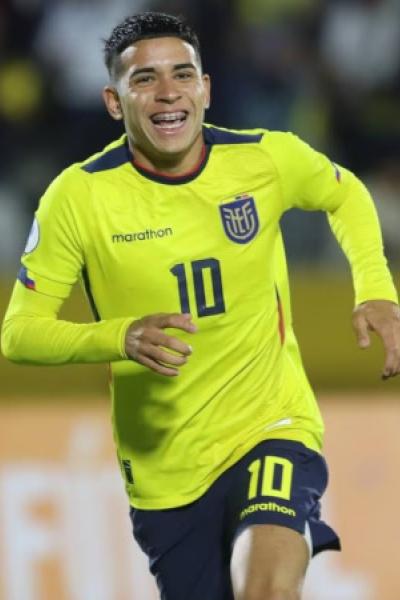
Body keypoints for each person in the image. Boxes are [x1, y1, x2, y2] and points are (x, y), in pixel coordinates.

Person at [2, 12, 400, 600]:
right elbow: (19, 334)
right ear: (115, 103)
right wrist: (117, 337)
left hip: (270, 425)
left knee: (264, 588)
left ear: (206, 90)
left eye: (182, 74)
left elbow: (345, 195)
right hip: (166, 475)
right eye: (144, 80)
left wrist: (375, 287)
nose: (168, 93)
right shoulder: (79, 198)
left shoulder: (266, 159)